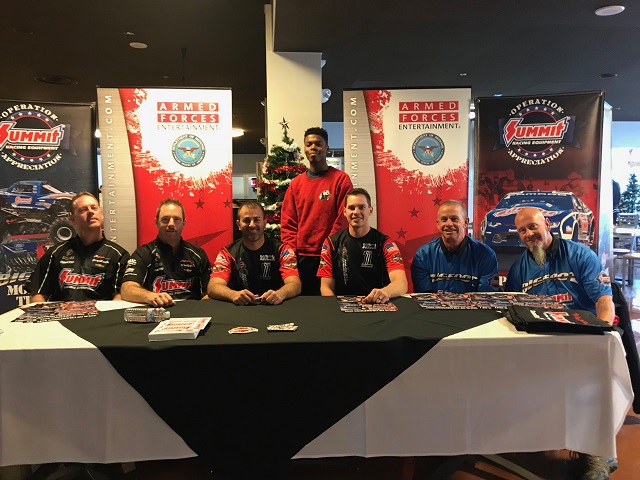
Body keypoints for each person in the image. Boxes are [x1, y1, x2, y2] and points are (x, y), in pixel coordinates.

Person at [504, 206, 616, 480]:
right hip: (540, 341)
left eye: (533, 226)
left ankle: (598, 454)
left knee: (590, 383)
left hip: (580, 336)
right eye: (522, 230)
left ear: (547, 223)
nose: (529, 234)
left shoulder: (580, 255)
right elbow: (512, 308)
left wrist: (601, 334)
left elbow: (604, 299)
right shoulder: (519, 269)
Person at [280, 127, 353, 295]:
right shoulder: (296, 184)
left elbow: (343, 219)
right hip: (303, 258)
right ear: (305, 149)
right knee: (306, 304)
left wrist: (329, 248)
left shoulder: (341, 180)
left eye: (318, 144)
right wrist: (291, 253)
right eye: (309, 144)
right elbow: (288, 222)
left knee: (332, 302)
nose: (313, 147)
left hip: (332, 255)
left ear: (327, 148)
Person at [27, 192, 129, 302]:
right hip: (61, 312)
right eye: (83, 210)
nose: (90, 212)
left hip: (100, 313)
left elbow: (119, 297)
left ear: (102, 214)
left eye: (94, 208)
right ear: (72, 218)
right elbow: (38, 294)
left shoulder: (118, 256)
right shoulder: (55, 253)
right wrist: (42, 311)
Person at [317, 188, 407, 302]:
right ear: (344, 212)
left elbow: (401, 283)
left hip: (376, 303)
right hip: (343, 305)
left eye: (361, 207)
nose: (356, 212)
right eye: (351, 208)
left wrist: (385, 292)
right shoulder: (331, 243)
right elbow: (326, 287)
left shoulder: (385, 243)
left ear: (370, 210)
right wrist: (333, 306)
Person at [121, 198, 211, 306]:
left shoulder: (198, 254)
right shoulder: (143, 253)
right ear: (156, 222)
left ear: (183, 223)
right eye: (165, 219)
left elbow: (208, 293)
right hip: (157, 311)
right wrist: (149, 296)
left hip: (191, 312)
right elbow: (127, 289)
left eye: (176, 219)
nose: (171, 224)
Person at [208, 201, 301, 305]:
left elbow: (295, 284)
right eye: (246, 220)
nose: (252, 225)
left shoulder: (282, 250)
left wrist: (281, 294)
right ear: (239, 224)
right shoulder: (227, 253)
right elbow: (213, 287)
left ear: (264, 223)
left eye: (256, 220)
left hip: (274, 307)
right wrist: (233, 294)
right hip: (240, 308)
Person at [411, 200, 498, 293]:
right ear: (438, 224)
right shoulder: (423, 255)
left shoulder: (485, 254)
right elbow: (423, 297)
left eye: (454, 219)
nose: (449, 224)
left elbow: (487, 296)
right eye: (444, 219)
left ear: (466, 222)